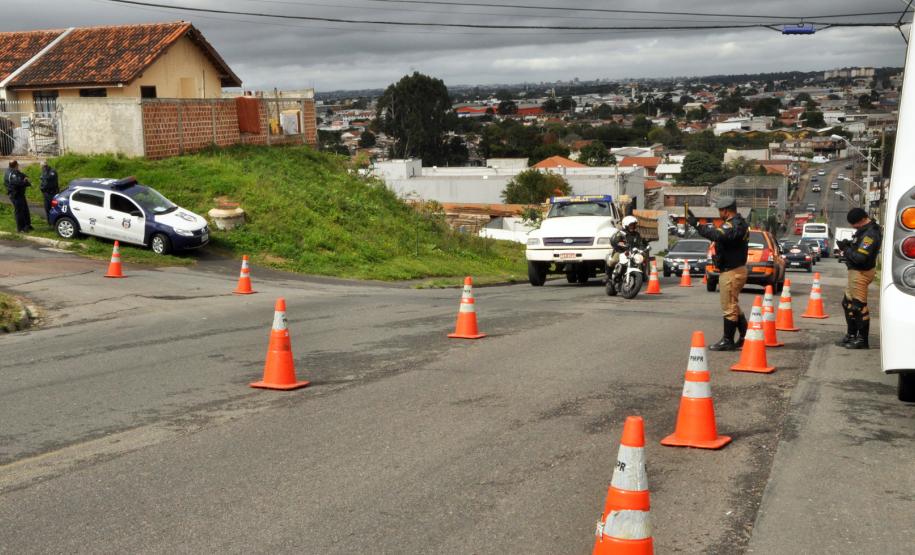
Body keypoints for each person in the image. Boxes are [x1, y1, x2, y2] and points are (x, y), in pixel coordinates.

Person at [687, 197, 750, 351]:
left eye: (720, 210)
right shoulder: (739, 223)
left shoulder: (734, 225)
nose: (719, 213)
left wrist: (697, 225)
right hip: (735, 269)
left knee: (728, 307)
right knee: (734, 305)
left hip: (731, 271)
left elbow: (717, 235)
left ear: (726, 210)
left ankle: (727, 340)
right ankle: (745, 336)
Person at [835, 208, 882, 349]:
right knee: (847, 303)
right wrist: (849, 245)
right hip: (855, 272)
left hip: (861, 272)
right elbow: (859, 250)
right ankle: (851, 335)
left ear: (861, 220)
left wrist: (846, 249)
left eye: (853, 224)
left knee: (859, 306)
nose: (852, 227)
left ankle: (862, 340)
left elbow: (861, 258)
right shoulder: (864, 231)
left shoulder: (870, 234)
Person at [4, 160, 33, 233]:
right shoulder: (11, 173)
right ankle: (20, 228)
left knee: (25, 209)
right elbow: (18, 183)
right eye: (17, 164)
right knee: (19, 211)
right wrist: (27, 183)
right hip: (15, 195)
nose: (18, 165)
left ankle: (27, 225)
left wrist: (26, 177)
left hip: (20, 194)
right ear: (15, 165)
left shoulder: (13, 171)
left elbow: (21, 175)